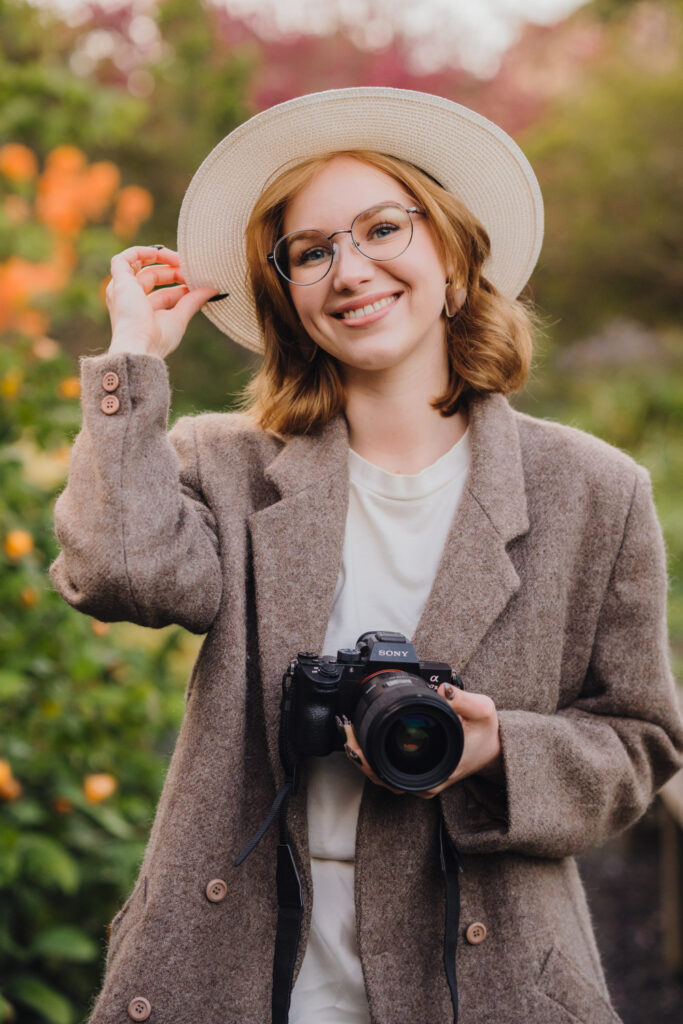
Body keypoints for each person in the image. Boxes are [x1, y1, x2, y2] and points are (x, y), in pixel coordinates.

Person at [49, 88, 683, 1024]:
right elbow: (117, 572)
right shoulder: (224, 466)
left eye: (382, 228)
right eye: (311, 252)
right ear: (290, 300)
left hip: (487, 975)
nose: (350, 269)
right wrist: (132, 359)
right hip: (237, 966)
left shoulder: (593, 491)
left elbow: (640, 744)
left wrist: (497, 746)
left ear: (455, 262)